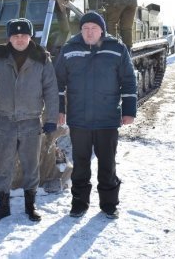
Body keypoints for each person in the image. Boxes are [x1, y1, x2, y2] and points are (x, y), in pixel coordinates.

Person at [54, 11, 137, 219]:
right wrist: (59, 109)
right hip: (79, 119)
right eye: (85, 29)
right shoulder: (69, 50)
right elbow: (58, 83)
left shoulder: (117, 50)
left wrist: (129, 110)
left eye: (94, 29)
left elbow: (128, 81)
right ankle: (79, 203)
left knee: (107, 162)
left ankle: (109, 204)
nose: (89, 33)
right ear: (80, 30)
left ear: (102, 30)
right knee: (81, 163)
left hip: (107, 118)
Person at [0, 18, 59, 224]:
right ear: (9, 37)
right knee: (3, 165)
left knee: (31, 165)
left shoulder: (42, 58)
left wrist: (51, 118)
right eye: (15, 35)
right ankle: (2, 206)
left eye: (24, 35)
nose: (20, 39)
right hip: (5, 120)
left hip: (31, 121)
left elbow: (51, 90)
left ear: (30, 36)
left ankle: (30, 206)